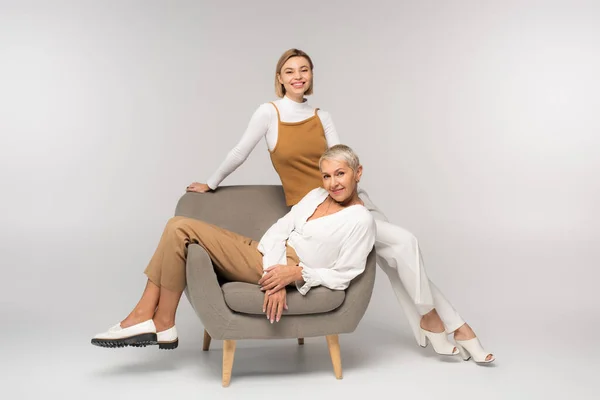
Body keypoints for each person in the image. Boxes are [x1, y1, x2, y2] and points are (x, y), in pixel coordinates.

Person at [186, 48, 494, 364]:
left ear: (311, 75)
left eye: (304, 69)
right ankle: (454, 327)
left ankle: (439, 325)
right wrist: (211, 183)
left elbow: (340, 160)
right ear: (279, 78)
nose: (297, 76)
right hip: (318, 211)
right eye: (289, 71)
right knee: (403, 244)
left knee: (396, 259)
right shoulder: (269, 113)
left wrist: (354, 193)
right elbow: (240, 152)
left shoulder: (323, 116)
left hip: (351, 202)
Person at [92, 144, 376, 349]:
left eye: (340, 174)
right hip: (265, 252)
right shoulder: (316, 195)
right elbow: (280, 228)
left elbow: (344, 274)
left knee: (179, 227)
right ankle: (160, 322)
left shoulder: (360, 220)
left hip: (288, 264)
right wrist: (275, 270)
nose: (333, 183)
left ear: (357, 172)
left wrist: (296, 274)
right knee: (177, 227)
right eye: (327, 176)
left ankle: (152, 318)